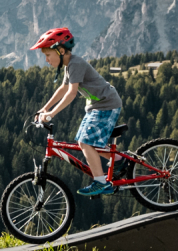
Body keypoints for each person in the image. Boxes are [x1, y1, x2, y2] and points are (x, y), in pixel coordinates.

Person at [30, 27, 121, 196]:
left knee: (85, 142)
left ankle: (101, 183)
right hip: (96, 106)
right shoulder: (69, 65)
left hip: (106, 105)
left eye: (48, 55)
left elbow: (71, 93)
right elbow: (63, 89)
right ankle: (120, 161)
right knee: (85, 141)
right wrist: (44, 108)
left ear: (61, 50)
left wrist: (51, 114)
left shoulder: (76, 64)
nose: (46, 60)